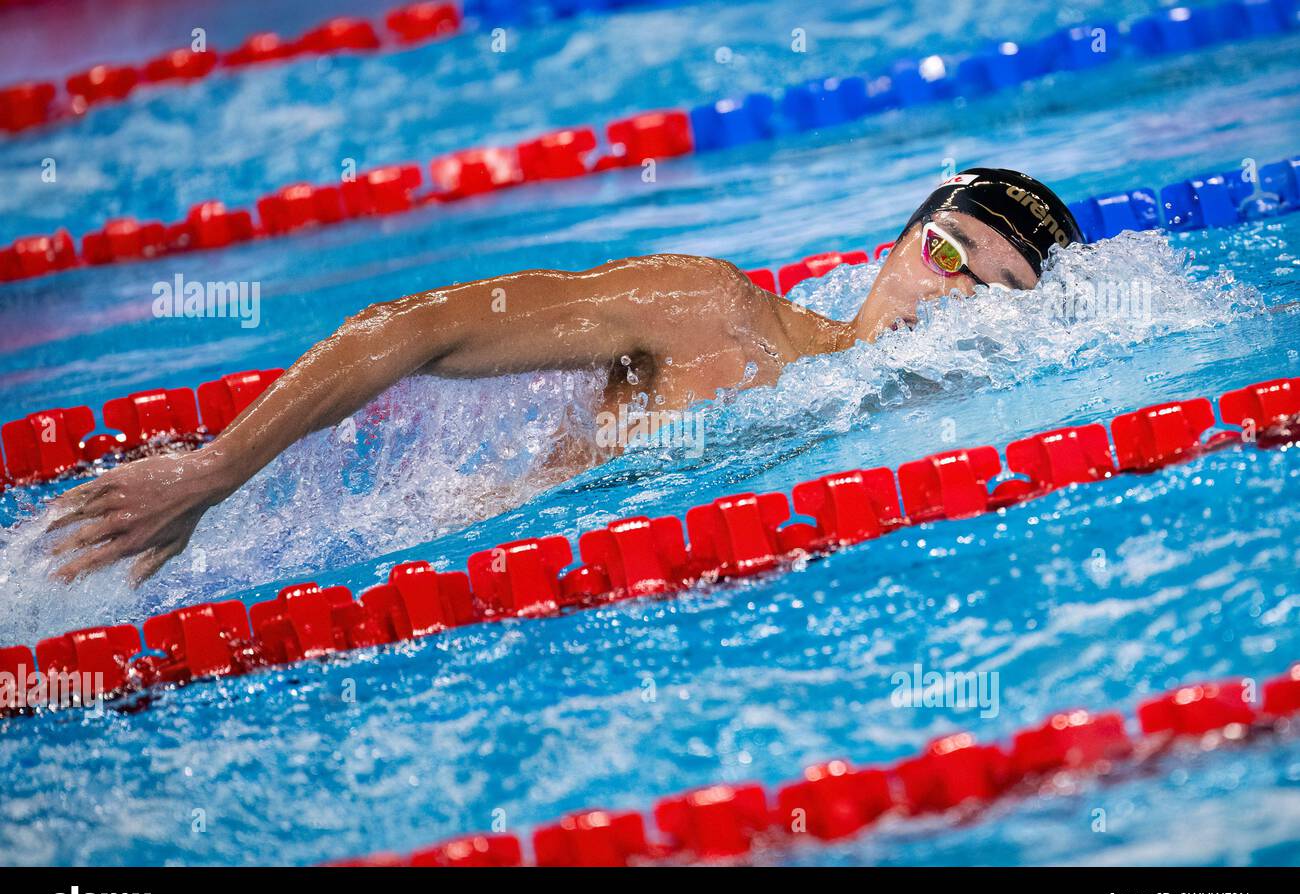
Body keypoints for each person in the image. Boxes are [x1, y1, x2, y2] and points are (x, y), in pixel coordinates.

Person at [44, 168, 1083, 584]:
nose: (955, 298)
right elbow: (409, 326)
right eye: (948, 254)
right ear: (897, 243)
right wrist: (214, 468)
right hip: (423, 567)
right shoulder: (713, 312)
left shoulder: (958, 462)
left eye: (999, 291)